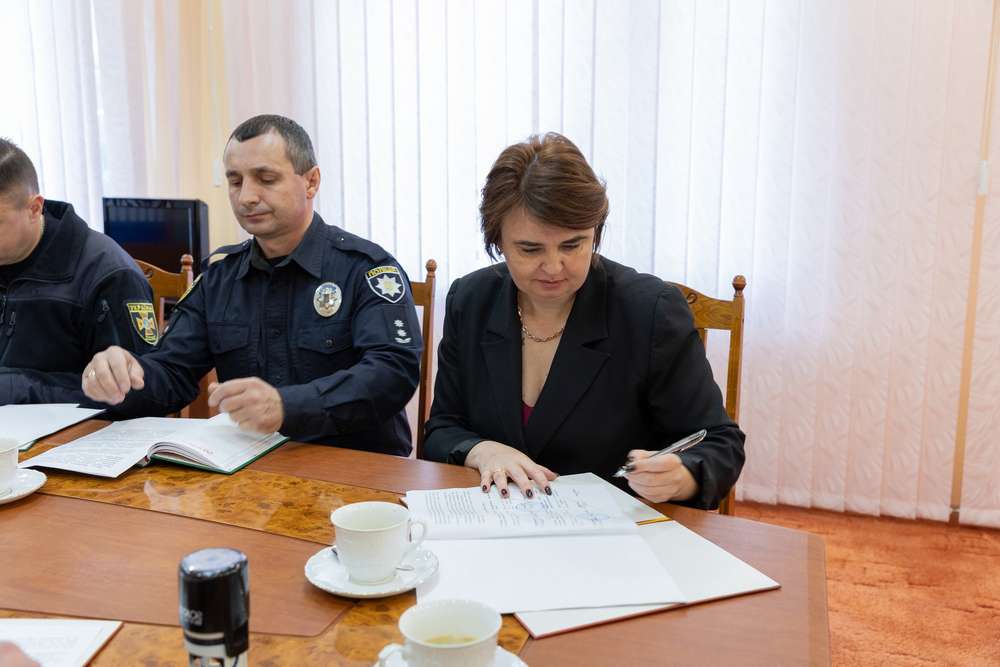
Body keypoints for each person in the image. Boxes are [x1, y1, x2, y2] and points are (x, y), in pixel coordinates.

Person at [423, 133, 744, 509]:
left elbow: (720, 445)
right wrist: (482, 450)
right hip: (496, 521)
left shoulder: (650, 312)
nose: (553, 267)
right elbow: (442, 429)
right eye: (530, 249)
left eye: (573, 245)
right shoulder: (470, 300)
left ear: (595, 233)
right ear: (497, 242)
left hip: (614, 530)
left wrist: (682, 475)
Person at [82, 115, 422, 456]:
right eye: (235, 181)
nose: (246, 197)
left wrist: (288, 406)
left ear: (311, 182)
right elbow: (172, 372)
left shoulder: (366, 269)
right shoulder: (219, 277)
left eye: (266, 179)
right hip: (248, 466)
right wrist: (125, 377)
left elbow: (393, 372)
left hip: (356, 468)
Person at [0, 138, 156, 405]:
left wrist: (14, 389)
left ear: (34, 209)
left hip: (75, 428)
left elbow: (138, 394)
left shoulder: (108, 274)